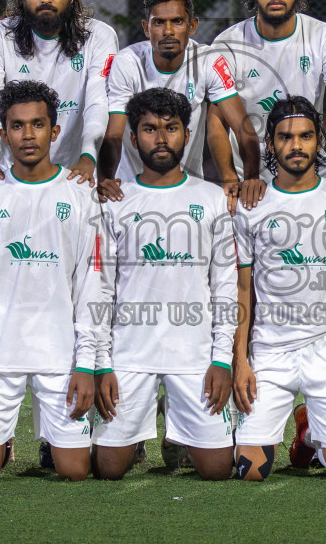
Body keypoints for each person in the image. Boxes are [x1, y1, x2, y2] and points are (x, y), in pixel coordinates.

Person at [0, 80, 110, 482]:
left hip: (59, 356)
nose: (28, 135)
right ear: (3, 135)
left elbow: (91, 285)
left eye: (37, 125)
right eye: (17, 126)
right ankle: (0, 440)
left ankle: (52, 438)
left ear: (54, 132)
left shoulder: (79, 194)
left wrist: (86, 364)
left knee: (74, 471)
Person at [92, 87, 238, 481]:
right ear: (134, 137)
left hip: (194, 356)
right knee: (108, 470)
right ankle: (146, 426)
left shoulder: (210, 198)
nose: (161, 138)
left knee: (218, 470)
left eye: (171, 128)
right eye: (149, 129)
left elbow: (225, 286)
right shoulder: (115, 200)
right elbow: (101, 289)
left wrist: (222, 359)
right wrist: (103, 364)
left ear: (186, 136)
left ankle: (176, 424)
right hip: (130, 355)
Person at [232, 95, 326, 482]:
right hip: (270, 354)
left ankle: (311, 433)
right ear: (271, 144)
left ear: (319, 142)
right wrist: (240, 359)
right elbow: (242, 289)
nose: (296, 145)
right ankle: (301, 424)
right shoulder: (252, 204)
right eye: (286, 137)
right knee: (250, 472)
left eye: (306, 136)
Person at [207, 0, 326, 197]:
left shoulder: (325, 37)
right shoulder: (227, 44)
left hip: (310, 177)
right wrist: (230, 177)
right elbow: (216, 120)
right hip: (249, 182)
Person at [97, 0, 261, 207]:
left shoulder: (207, 60)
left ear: (192, 26)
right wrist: (105, 177)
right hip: (132, 188)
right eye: (159, 23)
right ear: (146, 28)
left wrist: (250, 178)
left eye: (177, 21)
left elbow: (242, 128)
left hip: (190, 187)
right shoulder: (127, 62)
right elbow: (114, 133)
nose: (168, 31)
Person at [0, 0, 118, 186]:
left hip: (76, 173)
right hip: (12, 176)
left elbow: (98, 102)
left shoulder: (99, 36)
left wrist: (88, 156)